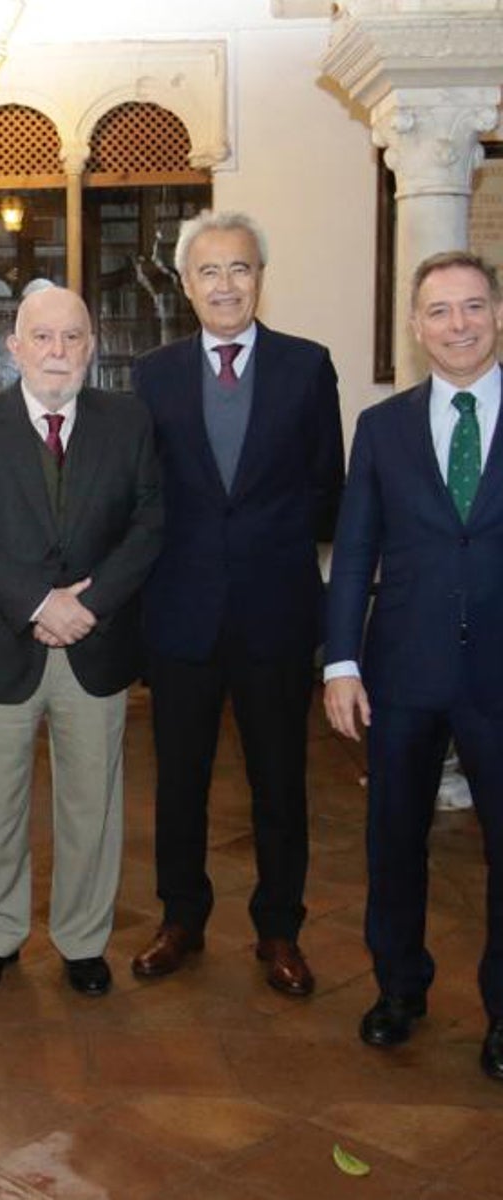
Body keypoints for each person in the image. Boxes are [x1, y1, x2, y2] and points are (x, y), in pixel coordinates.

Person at [130, 211, 345, 996]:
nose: (226, 285)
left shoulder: (307, 366)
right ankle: (181, 919)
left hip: (276, 614)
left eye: (241, 269)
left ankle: (280, 929)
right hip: (180, 615)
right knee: (178, 780)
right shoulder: (152, 374)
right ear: (187, 286)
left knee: (281, 782)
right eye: (209, 272)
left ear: (261, 276)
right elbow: (142, 495)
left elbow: (329, 490)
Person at [0, 286, 162, 995]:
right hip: (3, 641)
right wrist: (37, 604)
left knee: (92, 804)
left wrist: (83, 607)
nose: (58, 351)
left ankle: (83, 940)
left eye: (72, 337)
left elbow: (150, 524)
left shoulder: (130, 423)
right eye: (43, 337)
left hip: (94, 645)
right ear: (15, 348)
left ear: (91, 347)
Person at [324, 250, 503, 1081]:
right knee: (394, 840)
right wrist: (341, 664)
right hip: (402, 672)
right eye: (439, 311)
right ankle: (399, 990)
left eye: (472, 307)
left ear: (497, 315)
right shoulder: (384, 428)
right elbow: (354, 553)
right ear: (416, 324)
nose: (457, 324)